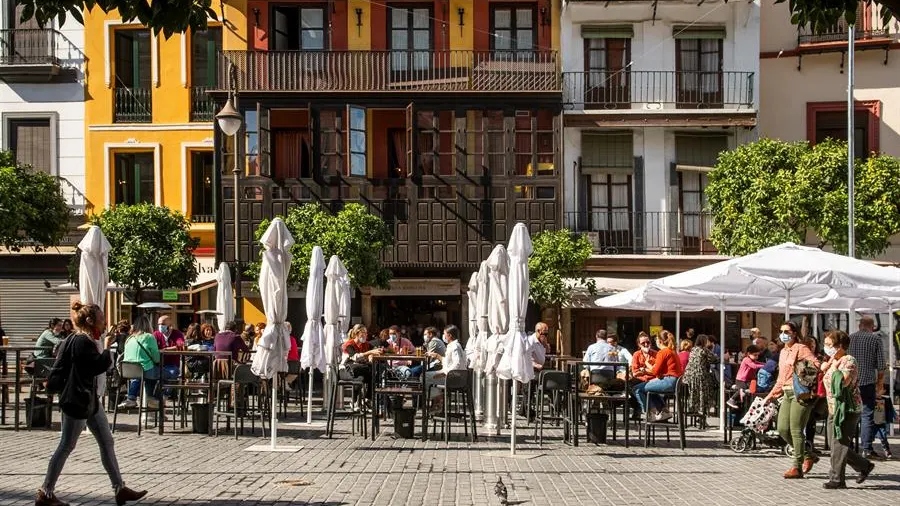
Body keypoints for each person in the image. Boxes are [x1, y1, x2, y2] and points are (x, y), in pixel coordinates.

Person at [36, 302, 146, 506]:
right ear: (90, 321)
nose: (105, 323)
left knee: (106, 441)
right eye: (102, 319)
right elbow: (97, 366)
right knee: (66, 445)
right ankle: (46, 492)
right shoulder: (80, 342)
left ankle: (119, 488)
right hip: (77, 401)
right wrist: (106, 349)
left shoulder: (81, 340)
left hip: (89, 401)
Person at [763, 321, 819, 479]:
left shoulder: (801, 348)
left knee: (795, 429)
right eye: (781, 331)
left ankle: (797, 466)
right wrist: (770, 395)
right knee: (782, 429)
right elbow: (781, 379)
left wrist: (801, 368)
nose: (783, 334)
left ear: (794, 333)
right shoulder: (782, 352)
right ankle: (808, 454)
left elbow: (816, 364)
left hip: (800, 393)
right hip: (786, 393)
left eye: (787, 331)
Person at [821, 330, 874, 489]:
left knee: (839, 443)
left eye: (830, 345)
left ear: (840, 346)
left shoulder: (848, 360)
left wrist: (835, 368)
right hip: (833, 408)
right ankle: (863, 465)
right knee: (835, 444)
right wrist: (826, 368)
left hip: (847, 409)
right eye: (826, 344)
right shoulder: (833, 359)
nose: (826, 347)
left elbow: (842, 382)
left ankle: (837, 479)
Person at [848, 315, 887, 460]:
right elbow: (881, 366)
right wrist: (880, 385)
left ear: (859, 325)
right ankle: (866, 448)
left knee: (851, 414)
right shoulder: (875, 339)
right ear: (872, 326)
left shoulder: (850, 338)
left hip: (850, 383)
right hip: (867, 383)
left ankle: (849, 446)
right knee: (867, 415)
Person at [632, 330, 682, 421]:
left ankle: (651, 413)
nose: (647, 344)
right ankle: (664, 411)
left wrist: (647, 365)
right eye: (643, 343)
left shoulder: (662, 352)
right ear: (639, 344)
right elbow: (660, 372)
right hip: (674, 382)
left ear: (660, 341)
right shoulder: (671, 351)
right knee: (649, 390)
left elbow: (655, 371)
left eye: (654, 340)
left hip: (668, 381)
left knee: (636, 389)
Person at [118, 315, 161, 410]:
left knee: (139, 376)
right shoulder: (149, 337)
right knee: (166, 374)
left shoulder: (129, 338)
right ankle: (151, 398)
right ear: (148, 325)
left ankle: (131, 398)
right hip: (144, 371)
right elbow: (157, 359)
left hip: (127, 371)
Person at [340, 325, 382, 410]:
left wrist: (371, 355)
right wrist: (370, 352)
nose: (365, 335)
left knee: (372, 372)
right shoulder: (348, 344)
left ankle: (363, 399)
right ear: (356, 333)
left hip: (359, 370)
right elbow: (355, 357)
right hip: (346, 370)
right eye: (363, 333)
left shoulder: (366, 344)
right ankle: (359, 400)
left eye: (366, 333)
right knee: (364, 374)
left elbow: (373, 352)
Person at [426, 325, 467, 409]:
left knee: (424, 376)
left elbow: (457, 363)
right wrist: (437, 356)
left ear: (449, 335)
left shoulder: (455, 346)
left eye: (444, 334)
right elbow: (449, 362)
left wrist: (445, 373)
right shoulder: (452, 345)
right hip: (453, 375)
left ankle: (438, 400)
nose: (443, 336)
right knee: (427, 376)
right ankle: (438, 400)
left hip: (453, 377)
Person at [682, 334, 717, 420]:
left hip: (688, 377)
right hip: (700, 376)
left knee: (699, 390)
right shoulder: (704, 350)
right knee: (713, 386)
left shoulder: (693, 349)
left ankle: (694, 408)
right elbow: (714, 359)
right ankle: (704, 410)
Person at [726, 345, 764, 409]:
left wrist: (765, 364)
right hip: (741, 380)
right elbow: (754, 366)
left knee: (751, 389)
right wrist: (763, 366)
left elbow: (757, 363)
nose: (757, 357)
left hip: (747, 380)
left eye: (758, 355)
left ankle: (736, 387)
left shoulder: (753, 360)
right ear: (749, 354)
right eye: (755, 355)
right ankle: (732, 399)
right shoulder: (746, 359)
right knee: (742, 389)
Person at [152, 315, 185, 380]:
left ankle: (165, 390)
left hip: (172, 365)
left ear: (170, 325)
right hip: (157, 364)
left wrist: (165, 349)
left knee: (171, 374)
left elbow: (180, 345)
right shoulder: (156, 334)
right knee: (149, 377)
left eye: (163, 324)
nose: (160, 326)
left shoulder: (177, 334)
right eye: (159, 324)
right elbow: (151, 347)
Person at [872, 394, 895, 459]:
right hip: (872, 423)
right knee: (870, 438)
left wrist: (895, 416)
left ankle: (887, 450)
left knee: (883, 437)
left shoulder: (886, 400)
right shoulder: (871, 400)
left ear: (884, 391)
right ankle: (869, 450)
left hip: (881, 423)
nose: (877, 391)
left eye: (880, 389)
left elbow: (891, 409)